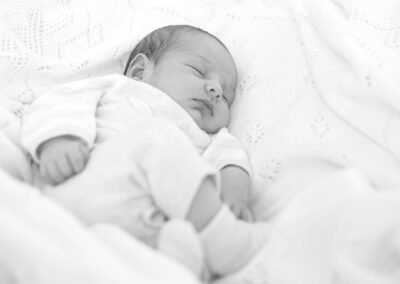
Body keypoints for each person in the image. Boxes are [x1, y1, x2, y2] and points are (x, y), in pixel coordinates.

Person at [3, 25, 269, 278]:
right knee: (155, 137)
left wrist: (233, 195)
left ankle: (181, 259)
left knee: (177, 242)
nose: (215, 90)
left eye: (226, 97)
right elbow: (61, 103)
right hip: (78, 181)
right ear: (140, 71)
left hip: (135, 230)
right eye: (199, 72)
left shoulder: (210, 138)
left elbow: (231, 161)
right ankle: (228, 242)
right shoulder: (119, 89)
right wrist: (59, 139)